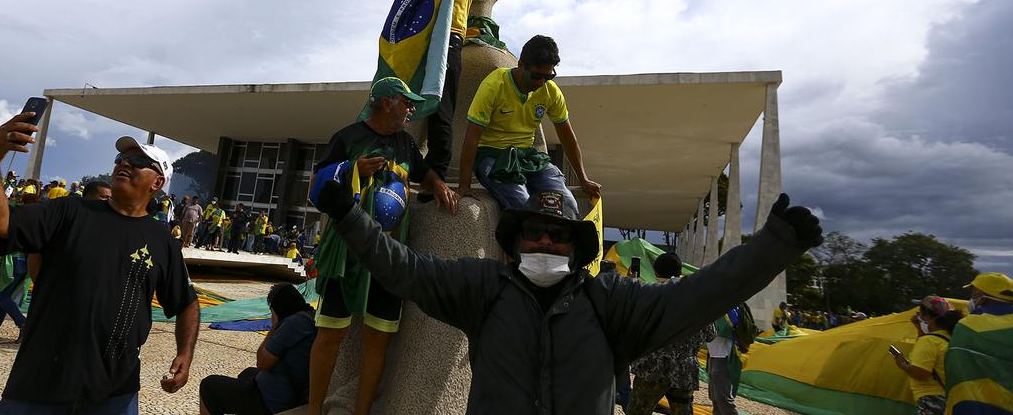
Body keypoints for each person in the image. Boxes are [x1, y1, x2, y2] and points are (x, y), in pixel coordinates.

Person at [311, 176, 822, 414]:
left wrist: (774, 246)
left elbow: (699, 297)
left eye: (559, 235)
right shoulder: (481, 288)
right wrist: (350, 218)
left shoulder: (610, 301)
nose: (546, 241)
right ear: (513, 243)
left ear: (576, 248)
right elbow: (406, 270)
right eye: (535, 232)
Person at [0, 112, 200, 413]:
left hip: (114, 392)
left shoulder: (163, 242)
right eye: (121, 158)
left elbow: (186, 303)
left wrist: (185, 353)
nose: (124, 163)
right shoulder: (69, 212)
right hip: (39, 382)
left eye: (138, 162)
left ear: (157, 182)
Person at [323, 0, 534, 179]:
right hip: (411, 48)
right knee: (395, 104)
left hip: (446, 44)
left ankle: (434, 174)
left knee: (440, 111)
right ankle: (382, 158)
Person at [308, 77, 458, 415]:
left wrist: (436, 186)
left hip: (390, 257)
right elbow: (317, 187)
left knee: (378, 338)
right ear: (387, 102)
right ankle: (313, 410)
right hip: (347, 253)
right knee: (332, 333)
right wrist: (351, 169)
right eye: (406, 102)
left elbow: (422, 172)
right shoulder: (347, 137)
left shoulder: (406, 144)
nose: (411, 109)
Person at [457, 35, 602, 214]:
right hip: (493, 156)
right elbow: (472, 137)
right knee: (525, 207)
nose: (541, 82)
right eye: (536, 76)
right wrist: (464, 186)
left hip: (527, 157)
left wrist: (583, 179)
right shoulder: (494, 85)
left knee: (566, 205)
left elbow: (567, 136)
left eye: (548, 76)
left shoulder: (551, 91)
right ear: (520, 65)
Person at [199, 283, 317, 414]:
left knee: (209, 386)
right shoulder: (309, 316)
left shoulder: (292, 324)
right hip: (289, 387)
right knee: (247, 373)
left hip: (272, 400)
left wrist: (273, 327)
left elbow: (262, 363)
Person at [626, 252, 717, 415]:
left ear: (656, 272)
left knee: (637, 412)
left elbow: (631, 323)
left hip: (651, 368)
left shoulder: (648, 295)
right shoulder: (698, 300)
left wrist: (632, 284)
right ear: (679, 271)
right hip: (683, 370)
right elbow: (710, 334)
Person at [944, 272, 1013, 413]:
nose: (972, 298)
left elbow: (954, 367)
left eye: (974, 293)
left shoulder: (967, 325)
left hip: (972, 405)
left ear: (983, 296)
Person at [892, 296, 963, 415]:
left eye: (921, 314)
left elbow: (921, 372)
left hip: (932, 400)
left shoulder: (929, 341)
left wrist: (902, 364)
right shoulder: (948, 339)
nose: (919, 317)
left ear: (928, 317)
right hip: (948, 399)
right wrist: (919, 328)